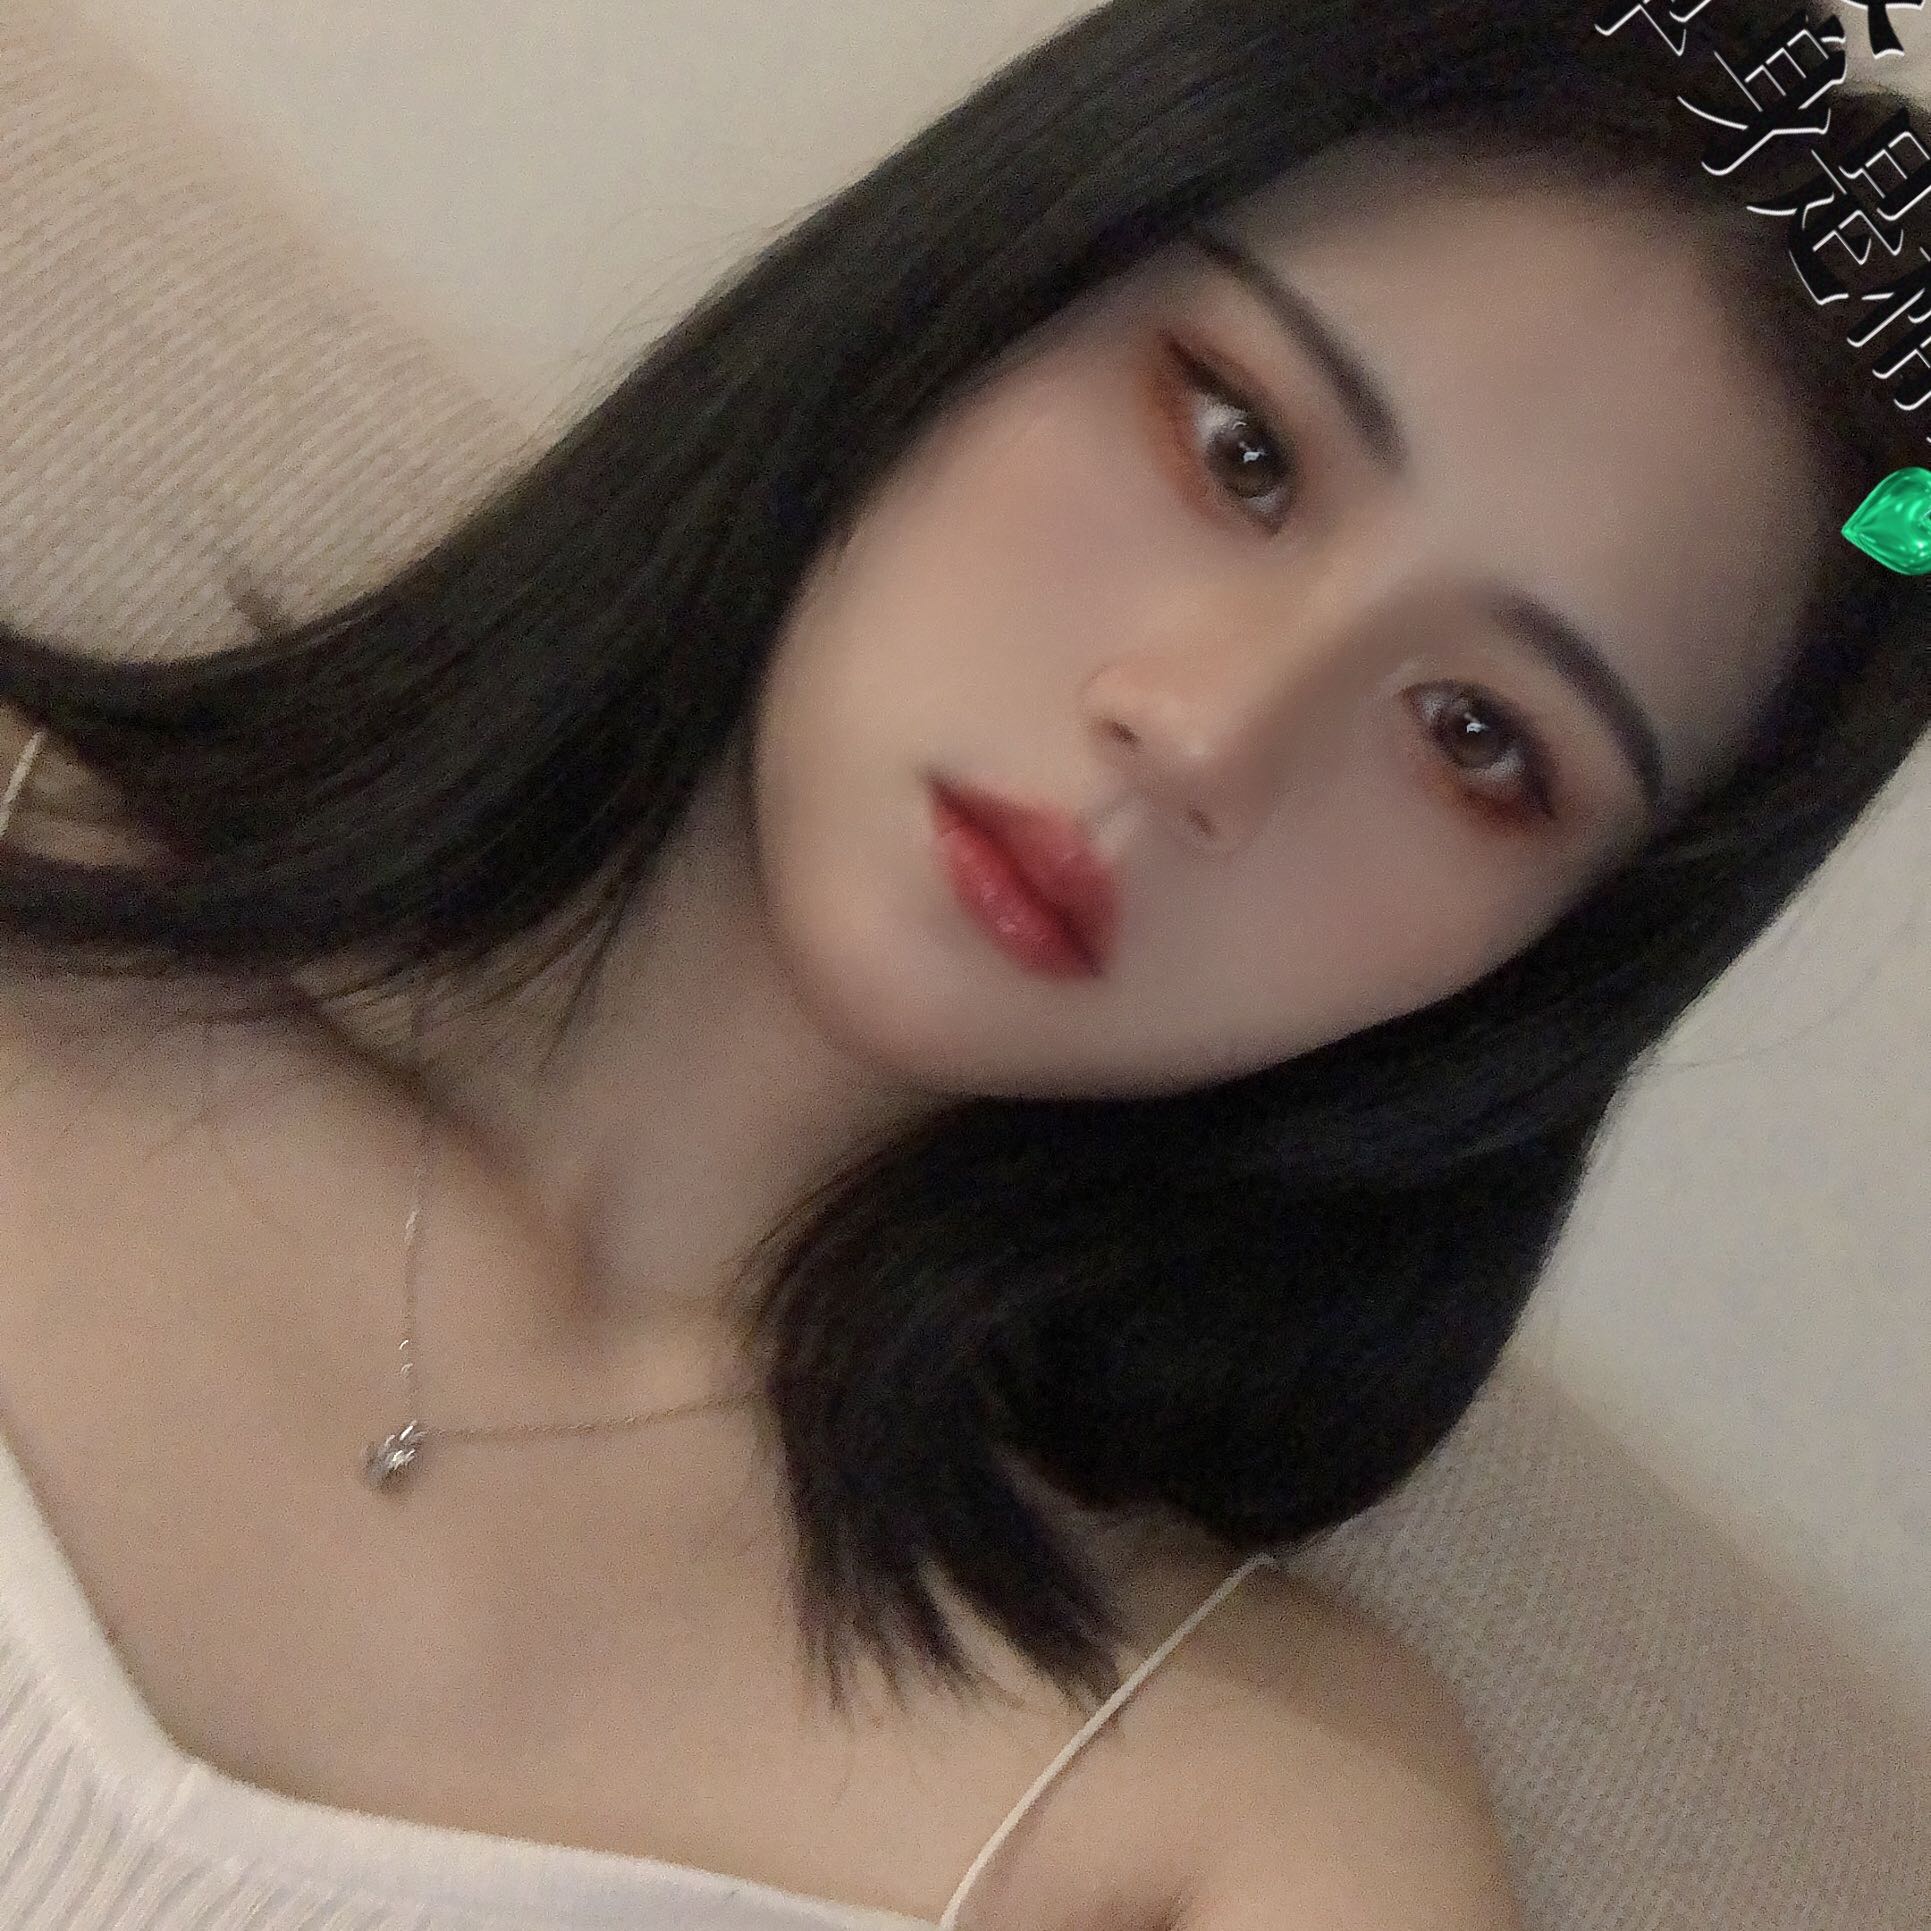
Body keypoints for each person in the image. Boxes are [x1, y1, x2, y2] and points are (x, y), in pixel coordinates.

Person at [0, 1, 1925, 1926]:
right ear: (983, 274)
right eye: (1240, 447)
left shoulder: (1250, 1818)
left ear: (1547, 969)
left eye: (1478, 739)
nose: (1203, 733)